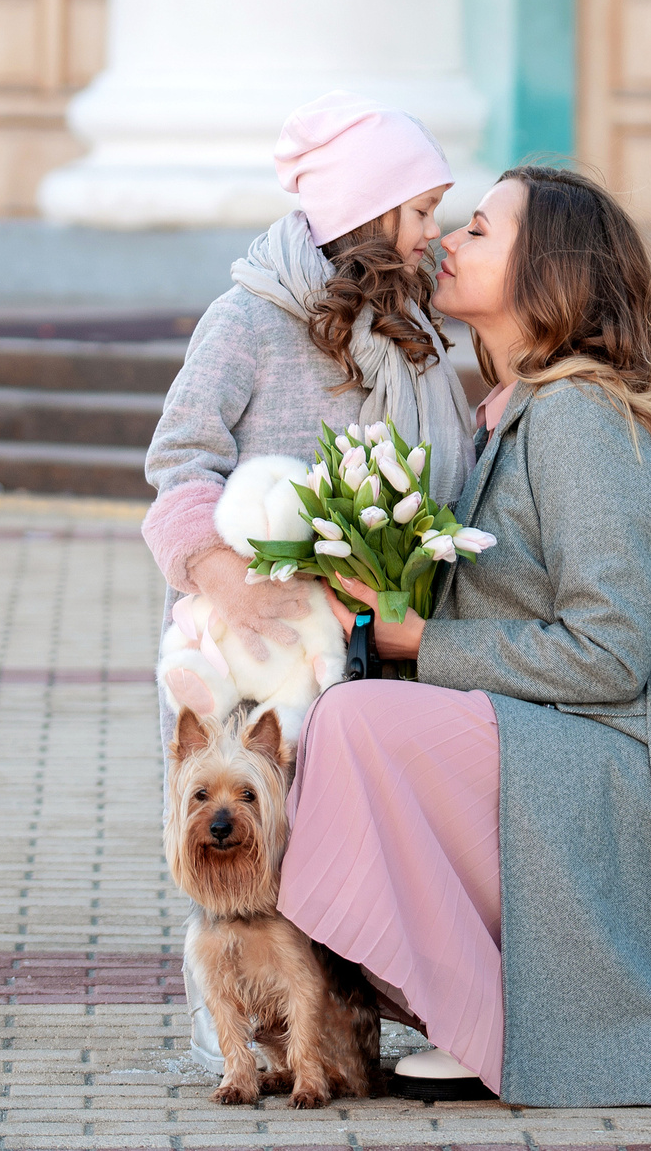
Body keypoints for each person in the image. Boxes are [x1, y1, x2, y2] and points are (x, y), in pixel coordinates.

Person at [279, 165, 651, 1107]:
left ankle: (492, 1023)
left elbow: (608, 651)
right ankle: (479, 1010)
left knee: (360, 726)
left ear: (546, 272)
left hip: (626, 756)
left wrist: (419, 645)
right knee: (354, 718)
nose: (445, 242)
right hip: (563, 740)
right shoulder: (508, 412)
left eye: (478, 230)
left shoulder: (582, 418)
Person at [140, 90, 476, 1059]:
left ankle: (348, 1021)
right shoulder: (246, 318)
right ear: (367, 218)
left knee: (349, 826)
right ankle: (241, 1021)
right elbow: (177, 459)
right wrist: (221, 574)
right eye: (420, 211)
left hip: (364, 638)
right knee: (247, 828)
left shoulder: (415, 332)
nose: (434, 232)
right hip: (249, 645)